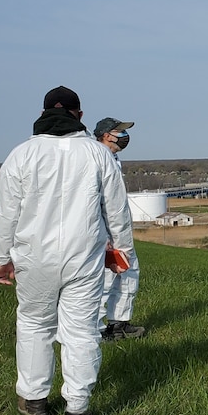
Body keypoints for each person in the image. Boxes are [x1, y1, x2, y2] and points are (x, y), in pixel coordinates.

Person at [0, 86, 134, 415]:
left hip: (32, 256)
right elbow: (116, 209)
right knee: (81, 332)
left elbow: (5, 211)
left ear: (41, 113)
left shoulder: (21, 155)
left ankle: (36, 401)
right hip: (84, 257)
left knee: (35, 325)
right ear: (79, 116)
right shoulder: (97, 155)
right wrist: (122, 250)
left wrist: (0, 257)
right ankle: (76, 411)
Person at [93, 117, 145, 341]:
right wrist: (102, 234)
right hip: (103, 232)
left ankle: (120, 323)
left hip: (120, 230)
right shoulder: (94, 158)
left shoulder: (112, 158)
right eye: (119, 132)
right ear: (106, 135)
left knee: (128, 273)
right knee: (103, 280)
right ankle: (95, 330)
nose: (124, 137)